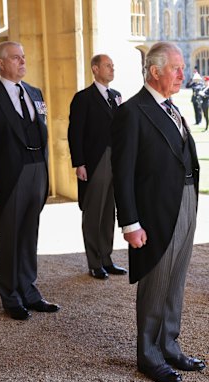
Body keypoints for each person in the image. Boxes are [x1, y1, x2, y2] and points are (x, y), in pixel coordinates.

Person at [111, 42, 205, 382]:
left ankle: (169, 344)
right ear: (154, 71)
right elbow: (122, 173)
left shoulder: (172, 108)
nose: (183, 74)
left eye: (182, 68)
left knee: (176, 280)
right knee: (155, 281)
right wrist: (130, 223)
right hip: (154, 212)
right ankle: (148, 354)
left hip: (186, 200)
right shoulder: (132, 112)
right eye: (176, 68)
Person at [0, 41, 60, 320]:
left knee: (29, 234)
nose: (22, 62)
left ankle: (29, 291)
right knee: (9, 237)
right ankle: (10, 296)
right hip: (8, 176)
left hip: (36, 170)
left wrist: (45, 171)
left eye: (23, 57)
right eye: (16, 58)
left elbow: (41, 131)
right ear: (0, 63)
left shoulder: (34, 92)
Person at [67, 54, 128, 280]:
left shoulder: (117, 96)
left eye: (113, 65)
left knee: (109, 212)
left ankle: (107, 258)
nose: (112, 69)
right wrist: (79, 163)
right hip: (96, 160)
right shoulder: (83, 98)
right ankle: (94, 262)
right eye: (107, 66)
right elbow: (75, 133)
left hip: (116, 160)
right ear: (95, 69)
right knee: (94, 212)